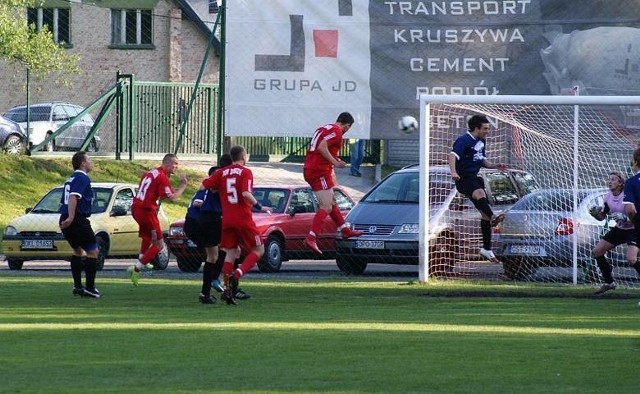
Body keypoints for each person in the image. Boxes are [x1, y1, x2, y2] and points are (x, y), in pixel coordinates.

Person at [201, 145, 272, 305]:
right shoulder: (246, 172)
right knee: (259, 250)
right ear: (243, 156)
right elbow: (246, 194)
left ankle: (227, 290)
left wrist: (217, 191)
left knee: (231, 253)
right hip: (243, 218)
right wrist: (261, 207)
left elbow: (204, 185)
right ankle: (237, 275)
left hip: (226, 219)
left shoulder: (221, 172)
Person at [302, 112, 363, 254]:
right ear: (347, 125)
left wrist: (335, 160)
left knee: (332, 202)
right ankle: (311, 238)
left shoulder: (324, 128)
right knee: (327, 205)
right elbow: (322, 148)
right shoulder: (337, 132)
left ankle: (345, 230)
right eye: (349, 128)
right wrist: (335, 162)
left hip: (313, 168)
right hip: (319, 171)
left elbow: (323, 148)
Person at [448, 114, 506, 263]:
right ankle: (494, 217)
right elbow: (452, 155)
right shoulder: (464, 140)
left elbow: (481, 160)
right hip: (463, 178)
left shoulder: (481, 141)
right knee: (480, 194)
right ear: (476, 128)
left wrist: (494, 166)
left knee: (483, 214)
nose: (488, 131)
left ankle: (486, 248)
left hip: (475, 177)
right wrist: (453, 172)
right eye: (485, 128)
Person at [128, 153, 188, 286]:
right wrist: (183, 186)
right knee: (159, 244)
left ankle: (143, 258)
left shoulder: (151, 172)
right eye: (175, 164)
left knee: (148, 236)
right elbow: (172, 198)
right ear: (167, 163)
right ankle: (136, 268)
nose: (176, 167)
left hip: (136, 208)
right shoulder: (162, 177)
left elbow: (161, 191)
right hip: (146, 211)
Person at [59, 151, 101, 298]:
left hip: (65, 217)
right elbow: (72, 197)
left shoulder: (71, 178)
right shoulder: (82, 178)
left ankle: (78, 287)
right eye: (89, 159)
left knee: (77, 251)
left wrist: (67, 217)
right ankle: (90, 288)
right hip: (76, 219)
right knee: (93, 252)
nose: (91, 162)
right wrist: (71, 217)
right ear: (83, 163)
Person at [590, 171, 640, 294]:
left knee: (631, 258)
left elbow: (636, 214)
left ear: (620, 182)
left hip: (634, 230)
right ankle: (609, 282)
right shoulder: (607, 197)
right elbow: (602, 216)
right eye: (609, 179)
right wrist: (596, 214)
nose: (610, 182)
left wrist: (626, 218)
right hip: (620, 229)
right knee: (597, 251)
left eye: (613, 179)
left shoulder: (627, 194)